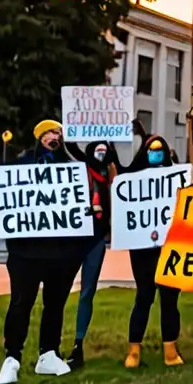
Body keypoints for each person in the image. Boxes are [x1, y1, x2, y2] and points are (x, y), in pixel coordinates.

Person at [0, 121, 88, 384]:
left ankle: (48, 353)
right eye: (49, 133)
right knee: (21, 304)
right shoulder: (20, 167)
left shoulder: (70, 170)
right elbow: (2, 200)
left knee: (55, 305)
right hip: (25, 253)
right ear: (39, 137)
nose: (54, 136)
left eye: (58, 133)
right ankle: (12, 357)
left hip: (59, 255)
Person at [120, 135, 186, 369]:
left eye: (160, 149)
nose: (155, 153)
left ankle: (170, 348)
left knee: (170, 299)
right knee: (144, 297)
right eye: (151, 149)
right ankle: (134, 350)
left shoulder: (178, 181)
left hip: (170, 248)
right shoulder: (131, 180)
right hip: (142, 249)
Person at [67, 141, 118, 370]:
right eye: (98, 150)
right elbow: (71, 147)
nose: (101, 154)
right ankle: (49, 347)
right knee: (58, 292)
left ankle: (78, 343)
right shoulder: (80, 168)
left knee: (88, 291)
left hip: (97, 239)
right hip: (75, 237)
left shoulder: (110, 173)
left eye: (104, 151)